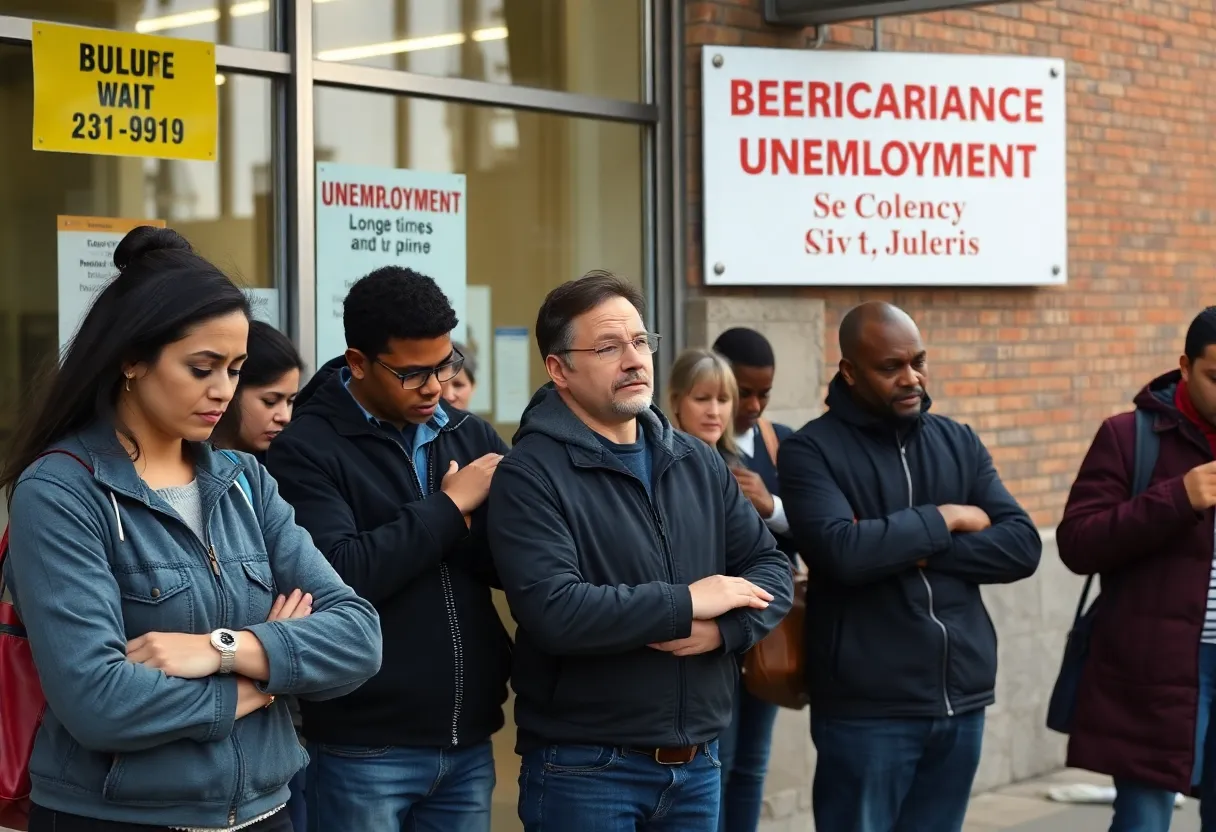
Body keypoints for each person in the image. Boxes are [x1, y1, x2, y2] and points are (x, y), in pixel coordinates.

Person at [0, 226, 382, 832]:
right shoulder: (62, 491)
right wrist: (265, 683)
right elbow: (100, 704)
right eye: (202, 367)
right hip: (116, 818)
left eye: (234, 369)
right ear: (131, 359)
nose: (223, 392)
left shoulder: (244, 481)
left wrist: (220, 650)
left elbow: (359, 637)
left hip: (264, 813)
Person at [487, 270, 794, 832]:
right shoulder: (529, 475)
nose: (633, 360)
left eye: (639, 341)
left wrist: (722, 632)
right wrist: (689, 602)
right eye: (607, 346)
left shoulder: (697, 461)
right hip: (587, 768)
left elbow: (769, 564)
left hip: (699, 763)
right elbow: (556, 611)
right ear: (560, 369)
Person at [265, 266, 512, 832]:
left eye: (447, 365)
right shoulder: (304, 449)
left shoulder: (469, 436)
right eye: (413, 373)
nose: (436, 387)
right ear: (358, 363)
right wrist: (451, 509)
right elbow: (341, 575)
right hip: (363, 747)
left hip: (470, 740)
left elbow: (513, 562)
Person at [778, 301, 1041, 832]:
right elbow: (842, 554)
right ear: (849, 371)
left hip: (960, 697)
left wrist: (901, 543)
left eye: (918, 361)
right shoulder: (810, 451)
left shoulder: (957, 441)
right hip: (867, 710)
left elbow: (1022, 546)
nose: (911, 377)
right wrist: (945, 517)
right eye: (890, 366)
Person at [1057, 306, 1216, 832]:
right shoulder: (1130, 437)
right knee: (1143, 821)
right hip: (1157, 672)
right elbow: (1077, 544)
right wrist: (1177, 499)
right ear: (1185, 367)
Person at [209, 319, 309, 832]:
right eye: (271, 399)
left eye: (292, 401)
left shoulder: (257, 479)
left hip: (274, 749)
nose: (284, 416)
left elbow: (344, 629)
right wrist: (269, 646)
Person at [709, 328, 796, 832]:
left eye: (766, 393)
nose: (756, 406)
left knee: (751, 763)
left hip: (766, 631)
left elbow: (817, 528)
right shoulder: (692, 446)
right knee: (715, 762)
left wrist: (773, 507)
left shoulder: (778, 443)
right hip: (713, 632)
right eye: (746, 392)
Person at [667, 347, 740, 463]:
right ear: (675, 401)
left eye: (722, 400)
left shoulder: (736, 467)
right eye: (702, 399)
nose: (714, 412)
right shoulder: (660, 468)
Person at [443, 341, 478, 411]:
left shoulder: (479, 422)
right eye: (441, 385)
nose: (449, 396)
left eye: (458, 385)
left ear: (473, 386)